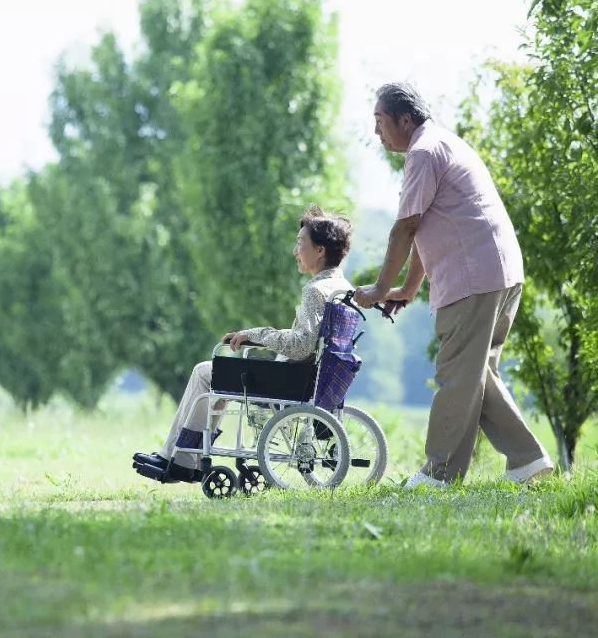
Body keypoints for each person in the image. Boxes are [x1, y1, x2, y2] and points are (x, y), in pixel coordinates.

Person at [353, 82, 553, 488]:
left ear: (404, 119)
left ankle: (440, 474)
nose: (376, 132)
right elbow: (428, 229)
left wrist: (377, 288)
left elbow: (405, 228)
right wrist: (408, 289)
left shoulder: (423, 153)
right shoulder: (444, 143)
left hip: (474, 278)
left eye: (380, 120)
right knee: (476, 375)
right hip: (500, 272)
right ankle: (528, 461)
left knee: (456, 375)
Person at [133, 206, 354, 482]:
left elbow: (301, 345)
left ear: (319, 250)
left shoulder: (315, 291)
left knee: (206, 372)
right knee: (217, 375)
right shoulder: (342, 288)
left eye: (300, 243)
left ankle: (180, 460)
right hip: (310, 379)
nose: (295, 251)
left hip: (291, 380)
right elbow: (310, 342)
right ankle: (184, 458)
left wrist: (257, 334)